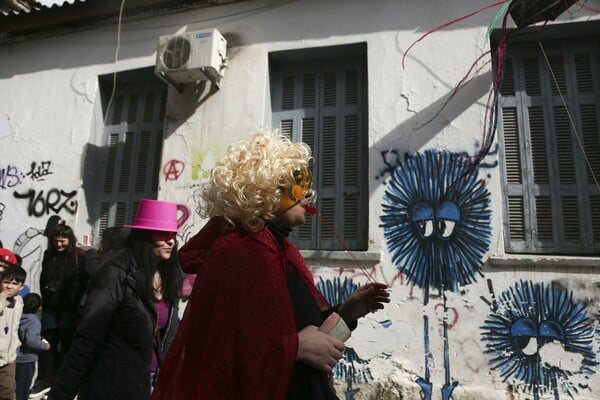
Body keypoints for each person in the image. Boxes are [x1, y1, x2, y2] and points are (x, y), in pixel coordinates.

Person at [151, 130, 390, 400]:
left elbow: (314, 338)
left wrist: (349, 312)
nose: (309, 194)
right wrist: (294, 347)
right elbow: (217, 350)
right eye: (299, 185)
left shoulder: (285, 254)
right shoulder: (236, 253)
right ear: (266, 190)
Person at [48, 199, 183, 400]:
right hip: (113, 387)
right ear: (145, 236)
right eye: (163, 233)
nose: (171, 241)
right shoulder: (115, 275)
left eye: (173, 234)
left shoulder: (169, 277)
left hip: (155, 385)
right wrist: (61, 394)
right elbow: (88, 338)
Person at [33, 223, 88, 396]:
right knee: (47, 343)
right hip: (51, 307)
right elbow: (43, 278)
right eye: (56, 241)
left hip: (70, 308)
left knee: (66, 345)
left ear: (70, 240)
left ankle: (61, 380)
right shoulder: (49, 255)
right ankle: (45, 379)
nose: (59, 245)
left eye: (62, 241)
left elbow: (84, 281)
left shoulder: (79, 256)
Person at [16, 293, 50, 400]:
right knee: (24, 387)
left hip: (16, 357)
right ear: (39, 307)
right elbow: (31, 340)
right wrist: (45, 346)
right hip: (27, 358)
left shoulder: (19, 316)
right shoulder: (34, 321)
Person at [0, 265, 26, 400]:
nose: (9, 286)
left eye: (15, 284)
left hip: (9, 358)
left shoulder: (19, 301)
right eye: (6, 282)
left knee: (8, 391)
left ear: (21, 287)